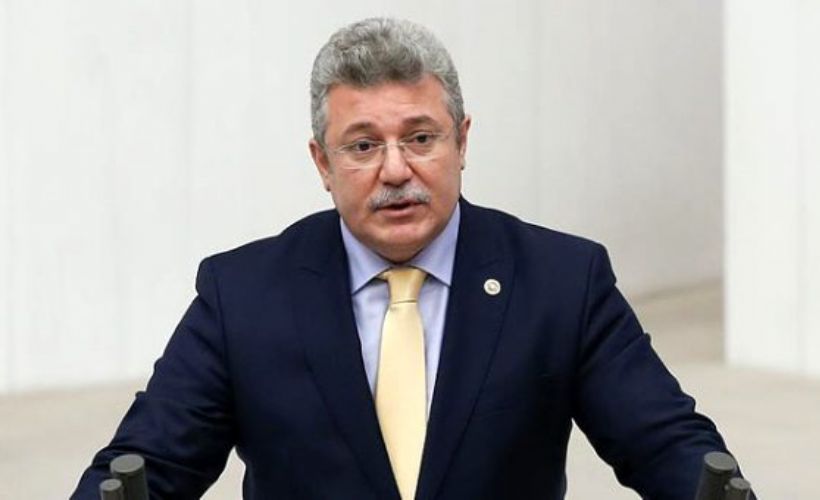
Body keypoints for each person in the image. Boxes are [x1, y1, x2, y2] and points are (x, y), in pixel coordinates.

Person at [71, 17, 751, 500]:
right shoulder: (243, 294)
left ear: (462, 141)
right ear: (322, 163)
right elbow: (149, 464)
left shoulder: (561, 282)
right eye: (363, 146)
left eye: (420, 138)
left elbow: (665, 445)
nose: (396, 170)